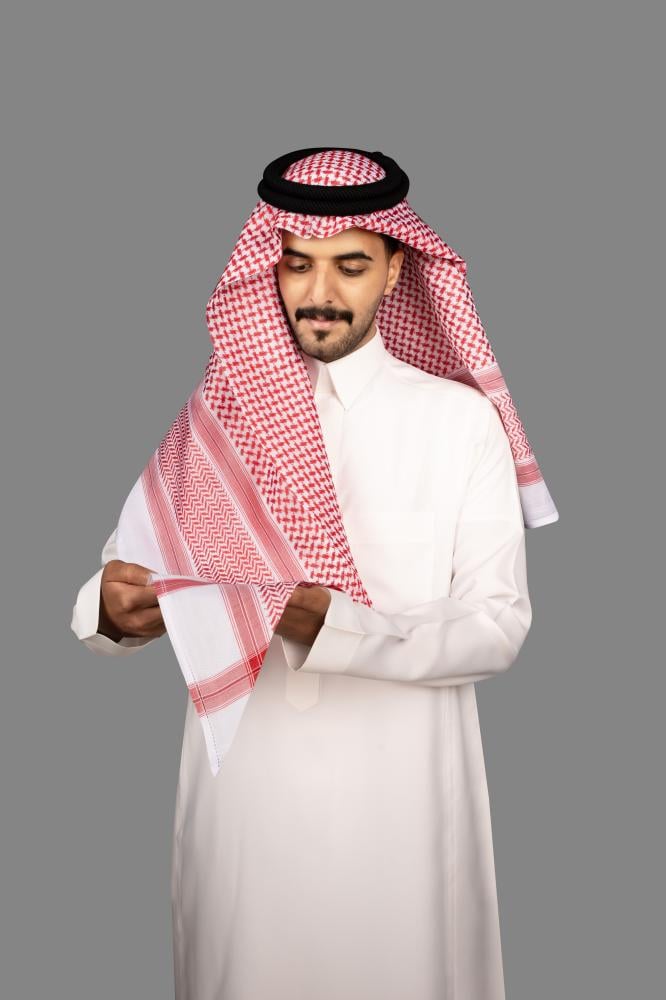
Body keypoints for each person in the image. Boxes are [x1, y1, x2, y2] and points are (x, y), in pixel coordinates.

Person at [71, 147, 557, 1000]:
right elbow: (121, 582)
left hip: (399, 810)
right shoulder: (218, 418)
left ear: (396, 269)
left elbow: (496, 624)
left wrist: (328, 623)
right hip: (243, 811)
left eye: (350, 266)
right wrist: (110, 612)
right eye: (297, 264)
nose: (319, 291)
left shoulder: (458, 424)